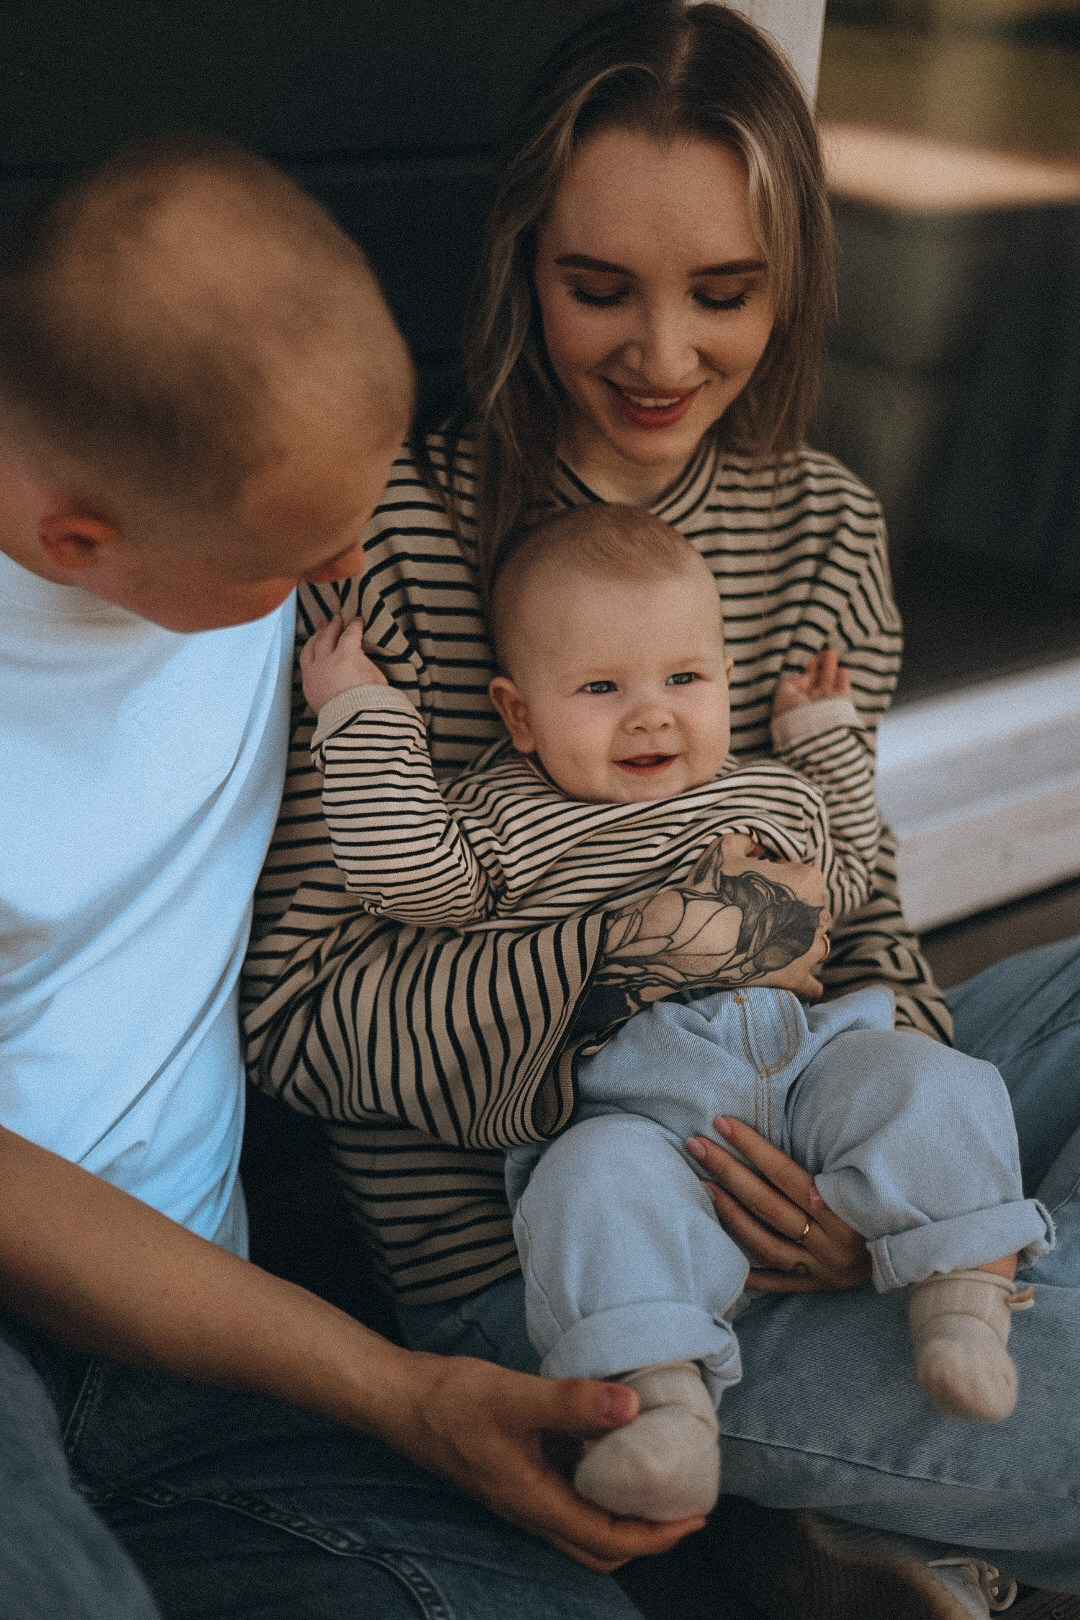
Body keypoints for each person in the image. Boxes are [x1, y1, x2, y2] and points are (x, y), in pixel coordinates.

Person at [245, 4, 1080, 1616]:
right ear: (521, 263)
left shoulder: (823, 522)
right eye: (597, 287)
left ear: (796, 283)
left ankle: (956, 1326)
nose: (661, 355)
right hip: (566, 1236)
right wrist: (633, 955)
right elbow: (299, 1011)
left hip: (824, 1115)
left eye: (724, 293)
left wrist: (883, 1208)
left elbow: (872, 911)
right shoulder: (397, 537)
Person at [0, 135, 697, 1620]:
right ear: (81, 540)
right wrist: (396, 1389)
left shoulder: (239, 512)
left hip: (209, 1344)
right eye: (309, 551)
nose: (357, 559)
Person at [298, 499, 1049, 1522]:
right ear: (519, 717)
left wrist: (822, 738)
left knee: (932, 1083)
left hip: (810, 1065)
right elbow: (409, 879)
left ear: (724, 686)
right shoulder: (511, 818)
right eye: (600, 688)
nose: (651, 715)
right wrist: (361, 717)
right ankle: (662, 1413)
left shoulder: (763, 791)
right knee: (584, 1187)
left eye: (684, 680)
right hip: (638, 1113)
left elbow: (852, 859)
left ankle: (963, 1300)